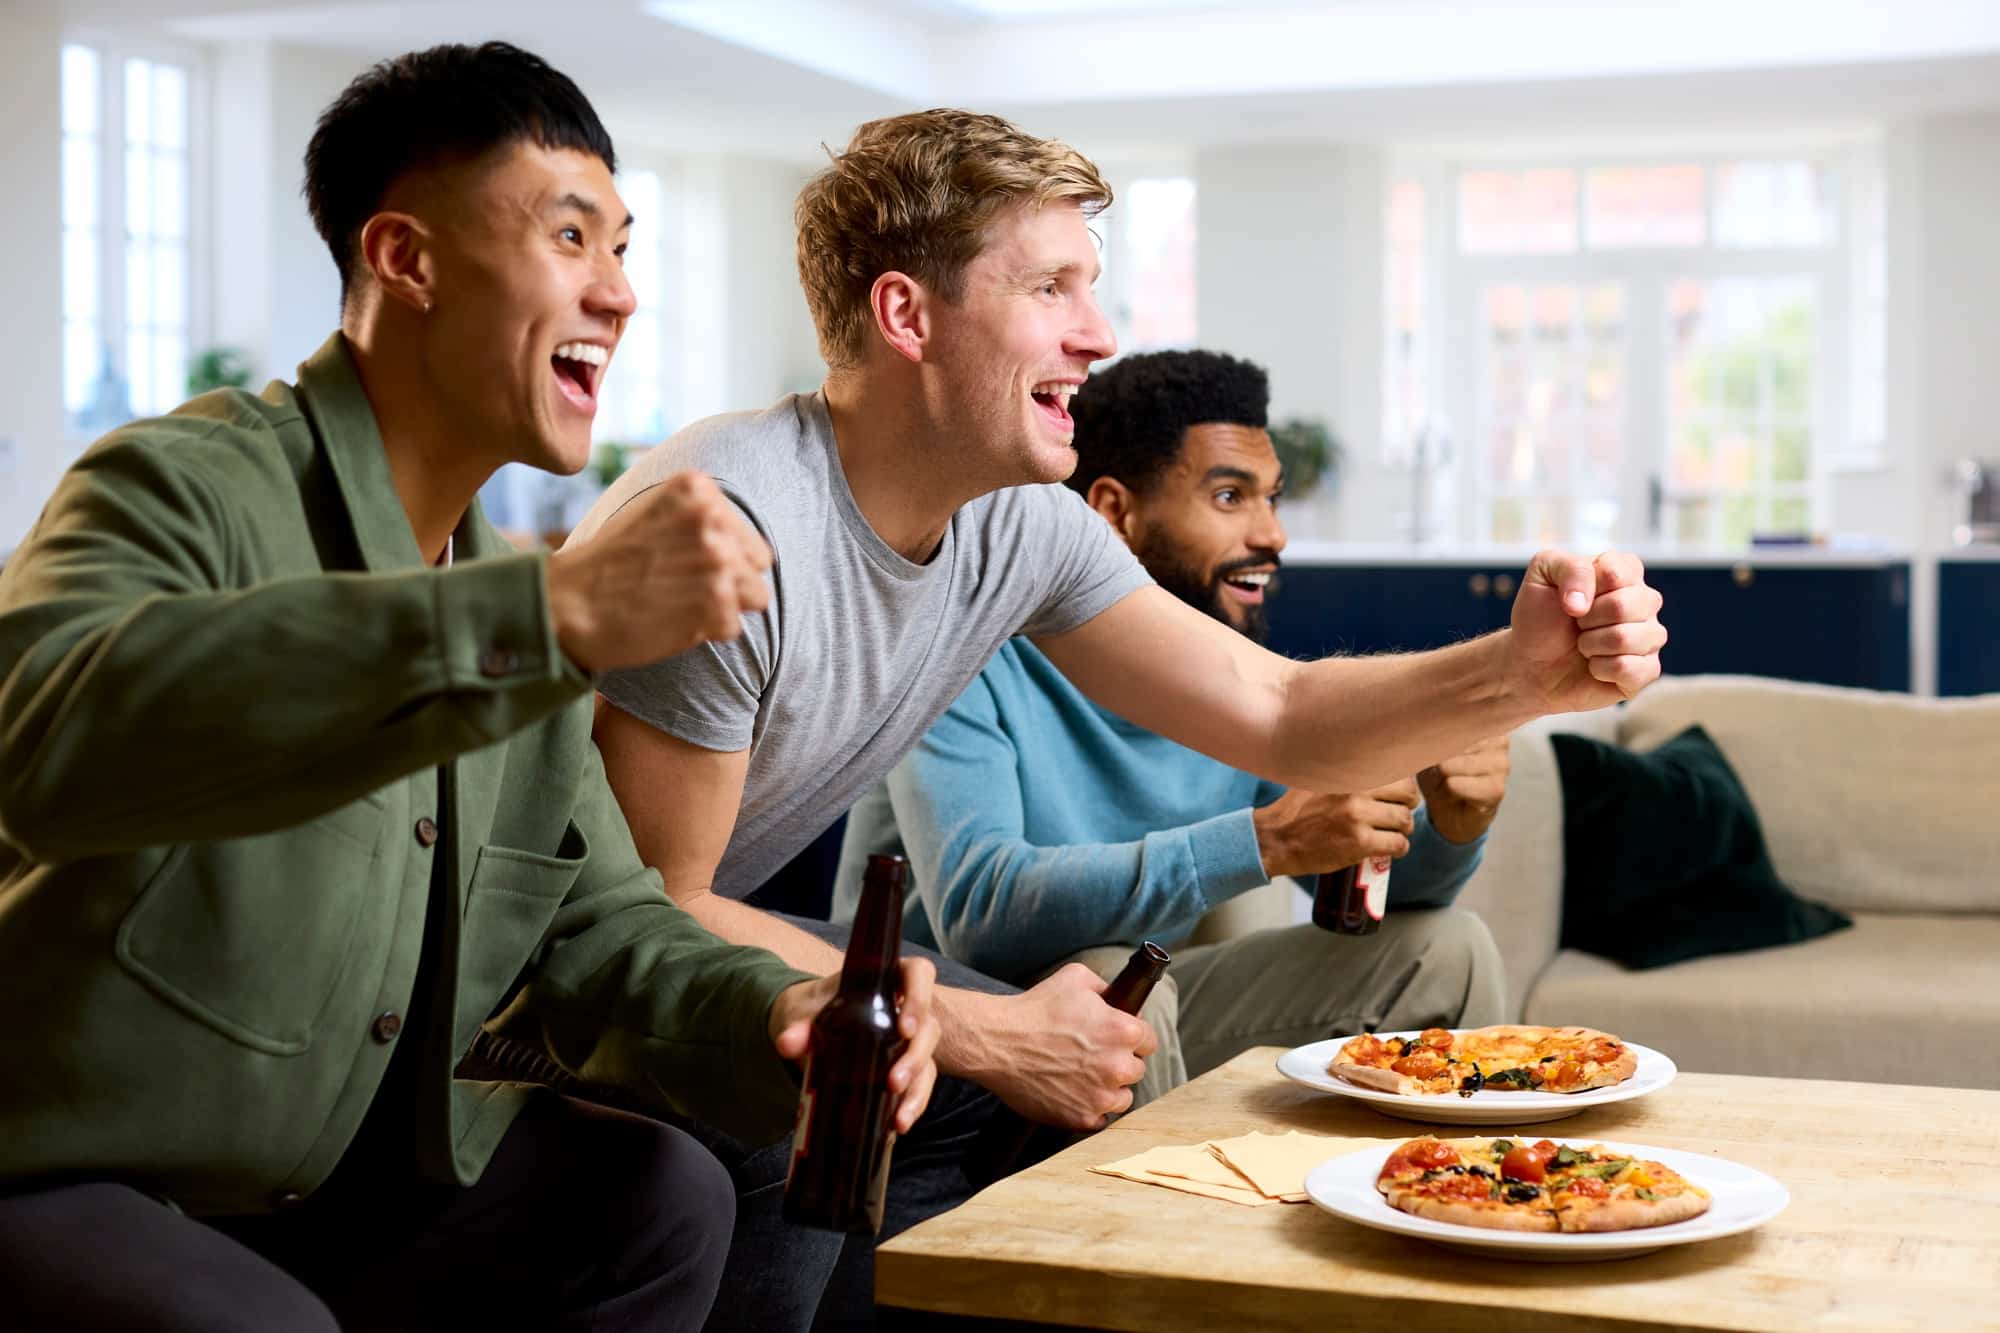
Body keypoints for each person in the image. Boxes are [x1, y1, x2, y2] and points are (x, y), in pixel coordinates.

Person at [568, 107, 1664, 1326]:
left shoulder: (1014, 522)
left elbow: (1284, 710)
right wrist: (981, 1030)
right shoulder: (731, 526)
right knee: (829, 1110)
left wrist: (1525, 674)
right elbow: (647, 913)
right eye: (1051, 287)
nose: (1095, 335)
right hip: (548, 996)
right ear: (905, 316)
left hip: (720, 958)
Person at [0, 43, 937, 1333]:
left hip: (341, 1189)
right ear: (404, 259)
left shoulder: (518, 596)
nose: (617, 294)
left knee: (661, 1194)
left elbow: (597, 931)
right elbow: (44, 735)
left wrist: (778, 1009)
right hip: (67, 1173)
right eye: (570, 236)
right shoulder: (181, 482)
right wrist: (535, 616)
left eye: (624, 248)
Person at [836, 348, 1513, 1109]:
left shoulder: (1237, 678)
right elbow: (977, 912)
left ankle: (1464, 1199)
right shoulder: (967, 651)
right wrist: (1267, 840)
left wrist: (1455, 828)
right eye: (1230, 496)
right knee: (1114, 981)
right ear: (1114, 514)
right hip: (952, 1036)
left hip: (1140, 1009)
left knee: (1449, 951)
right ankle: (1170, 1224)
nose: (1274, 535)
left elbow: (1355, 877)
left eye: (1273, 498)